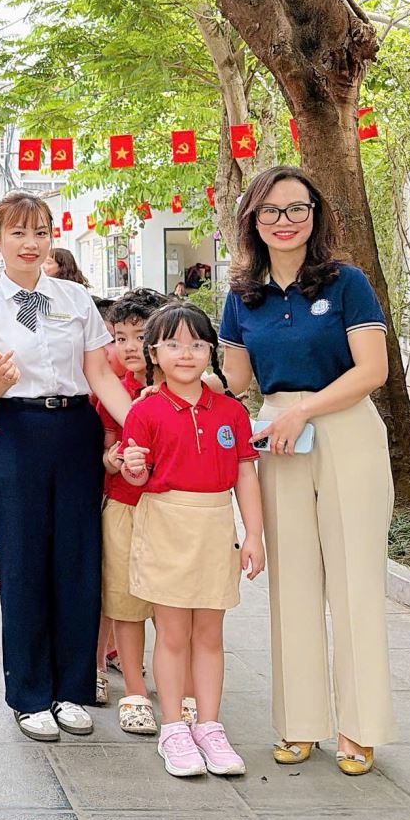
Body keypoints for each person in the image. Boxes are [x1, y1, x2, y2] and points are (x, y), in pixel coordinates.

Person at [217, 165, 393, 776]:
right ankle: (299, 722)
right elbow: (234, 380)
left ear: (315, 216)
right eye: (270, 211)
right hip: (277, 436)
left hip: (345, 429)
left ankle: (359, 727)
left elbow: (372, 370)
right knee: (290, 582)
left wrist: (305, 410)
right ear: (253, 221)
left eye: (297, 208)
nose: (284, 221)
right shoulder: (242, 296)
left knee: (354, 581)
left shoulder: (346, 283)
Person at [0, 191, 133, 744]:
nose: (30, 243)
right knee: (23, 561)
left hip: (75, 428)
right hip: (17, 430)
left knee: (78, 559)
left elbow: (100, 374)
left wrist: (142, 424)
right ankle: (30, 694)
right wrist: (0, 379)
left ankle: (72, 689)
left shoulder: (76, 298)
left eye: (40, 232)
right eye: (18, 232)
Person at [120, 301, 265, 778]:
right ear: (154, 354)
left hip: (215, 526)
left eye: (198, 344)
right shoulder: (144, 411)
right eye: (173, 344)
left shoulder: (231, 412)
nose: (186, 354)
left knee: (210, 633)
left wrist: (253, 535)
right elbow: (138, 477)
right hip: (165, 523)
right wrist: (132, 467)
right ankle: (173, 729)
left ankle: (209, 726)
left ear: (211, 353)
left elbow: (246, 474)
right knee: (172, 632)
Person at [94, 288, 180, 737]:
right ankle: (132, 688)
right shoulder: (113, 390)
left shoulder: (187, 388)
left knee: (173, 605)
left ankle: (179, 689)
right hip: (124, 506)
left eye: (140, 335)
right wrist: (112, 460)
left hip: (173, 510)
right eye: (119, 337)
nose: (130, 347)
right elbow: (107, 449)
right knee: (122, 600)